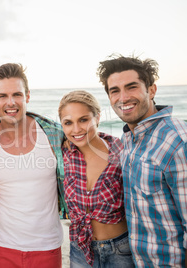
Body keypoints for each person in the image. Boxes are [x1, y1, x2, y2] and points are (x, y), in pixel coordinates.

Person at [97, 55, 187, 266]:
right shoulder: (128, 140)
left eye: (132, 87)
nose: (123, 98)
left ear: (152, 90)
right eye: (115, 91)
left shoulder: (176, 142)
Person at [0, 63, 67, 267]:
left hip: (47, 247)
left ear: (27, 96)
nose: (10, 102)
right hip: (2, 247)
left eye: (17, 94)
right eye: (2, 96)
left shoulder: (54, 133)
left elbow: (87, 144)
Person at [59, 90, 134, 267]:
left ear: (97, 117)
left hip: (120, 250)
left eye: (83, 120)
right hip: (79, 250)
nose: (76, 129)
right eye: (68, 122)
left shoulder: (122, 151)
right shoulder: (63, 153)